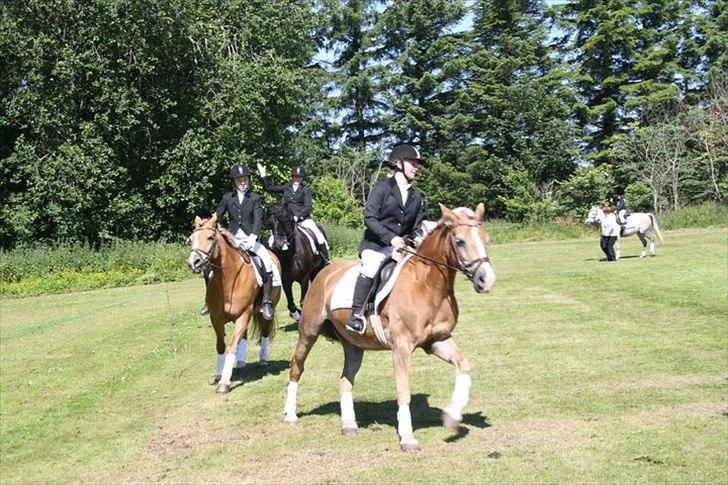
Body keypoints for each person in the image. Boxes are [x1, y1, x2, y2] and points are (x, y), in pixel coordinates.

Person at [345, 143, 428, 334]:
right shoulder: (382, 188)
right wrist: (391, 238)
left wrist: (415, 238)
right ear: (398, 163)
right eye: (412, 163)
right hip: (376, 245)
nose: (416, 167)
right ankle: (356, 315)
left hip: (402, 247)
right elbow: (370, 217)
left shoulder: (417, 196)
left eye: (417, 164)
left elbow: (416, 225)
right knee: (371, 266)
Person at [214, 164, 278, 319]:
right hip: (233, 238)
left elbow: (258, 219)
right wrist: (223, 233)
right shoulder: (227, 198)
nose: (242, 182)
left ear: (248, 180)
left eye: (244, 179)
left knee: (267, 263)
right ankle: (211, 301)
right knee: (212, 264)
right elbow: (218, 217)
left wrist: (254, 236)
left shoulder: (255, 198)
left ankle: (266, 302)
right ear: (234, 182)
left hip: (250, 238)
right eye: (239, 180)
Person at [256, 163, 331, 265]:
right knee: (272, 239)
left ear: (302, 178)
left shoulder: (305, 190)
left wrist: (298, 216)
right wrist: (263, 175)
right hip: (287, 220)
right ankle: (273, 261)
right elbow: (270, 188)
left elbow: (307, 207)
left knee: (319, 235)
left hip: (303, 220)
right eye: (295, 176)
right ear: (292, 177)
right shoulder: (286, 187)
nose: (297, 179)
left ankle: (326, 259)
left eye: (299, 177)